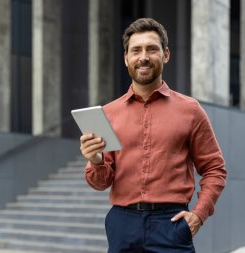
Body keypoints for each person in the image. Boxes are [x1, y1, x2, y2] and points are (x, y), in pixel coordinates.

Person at [79, 18, 227, 253]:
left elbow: (214, 168)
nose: (143, 57)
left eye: (152, 49)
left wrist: (199, 214)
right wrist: (96, 161)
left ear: (165, 54)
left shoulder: (190, 110)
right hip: (122, 225)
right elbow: (100, 182)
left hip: (171, 225)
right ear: (126, 58)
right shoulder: (108, 113)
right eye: (136, 50)